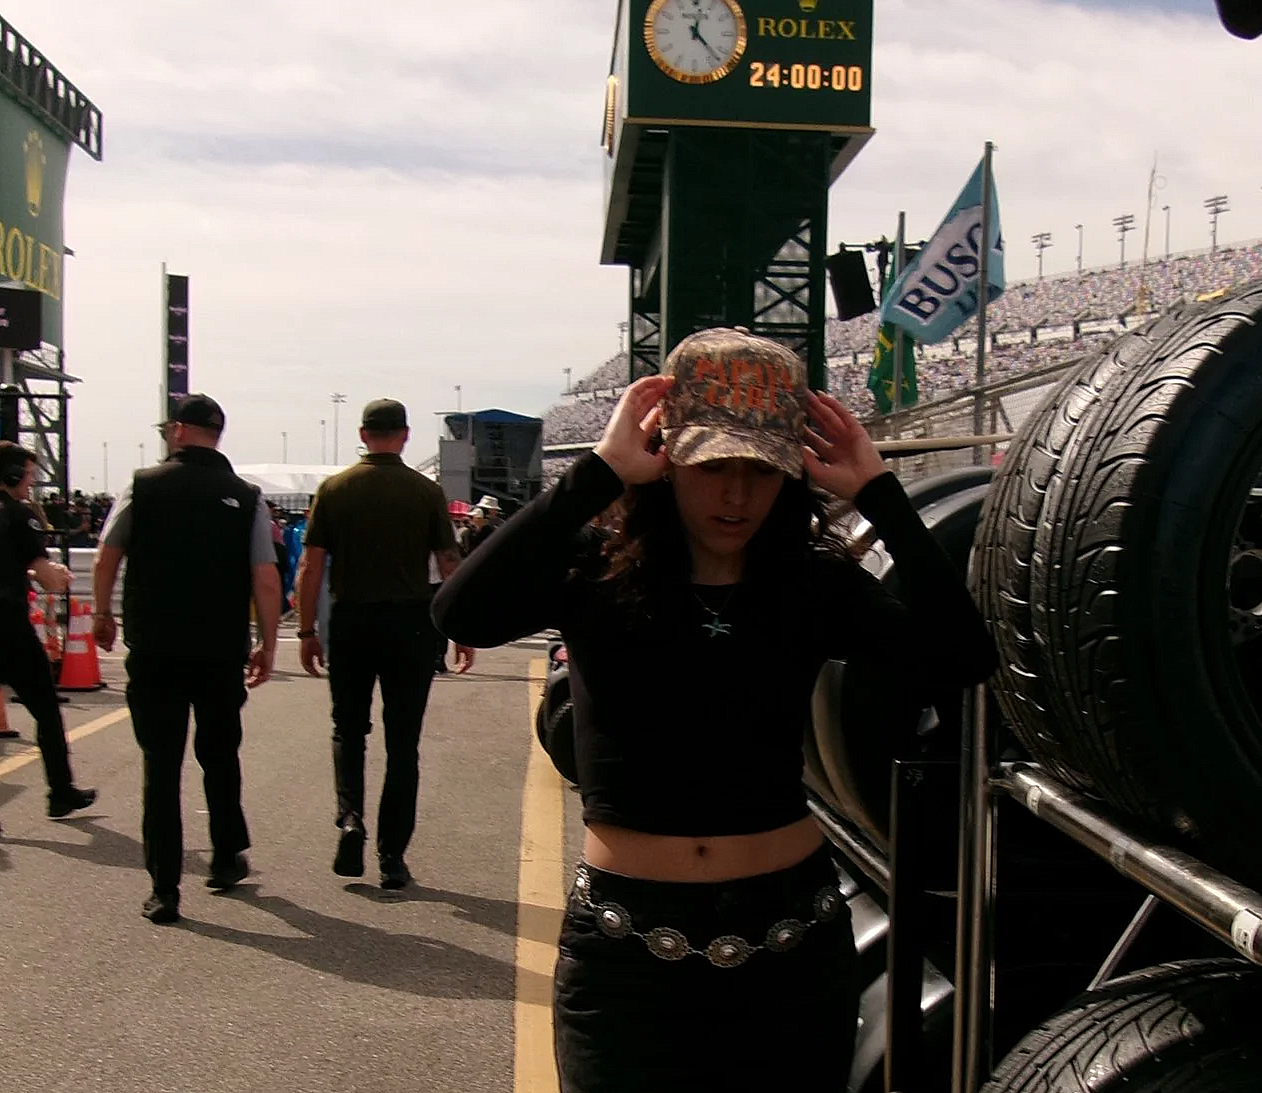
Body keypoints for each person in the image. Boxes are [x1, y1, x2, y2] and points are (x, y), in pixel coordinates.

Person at [432, 329, 997, 1093]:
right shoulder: (595, 573)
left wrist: (879, 496)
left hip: (793, 952)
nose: (736, 496)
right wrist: (594, 475)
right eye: (714, 467)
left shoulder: (814, 585)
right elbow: (460, 614)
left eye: (759, 472)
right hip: (626, 959)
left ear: (791, 475)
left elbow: (964, 659)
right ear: (668, 461)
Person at [92, 395, 283, 924]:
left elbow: (108, 554)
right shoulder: (245, 497)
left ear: (178, 431)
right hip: (219, 649)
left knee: (161, 765)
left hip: (155, 647)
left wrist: (103, 614)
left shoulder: (142, 485)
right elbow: (265, 577)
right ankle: (225, 858)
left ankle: (165, 888)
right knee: (219, 755)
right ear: (217, 435)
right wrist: (267, 642)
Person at [296, 398, 474, 890]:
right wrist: (461, 629)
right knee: (403, 744)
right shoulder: (425, 492)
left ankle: (350, 817)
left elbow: (310, 566)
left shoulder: (335, 489)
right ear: (405, 435)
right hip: (410, 625)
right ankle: (392, 855)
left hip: (351, 622)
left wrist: (308, 630)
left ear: (362, 433)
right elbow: (449, 563)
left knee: (348, 729)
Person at [0, 441, 97, 821]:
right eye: (27, 475)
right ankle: (60, 790)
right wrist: (57, 576)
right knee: (45, 710)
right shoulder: (18, 515)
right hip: (8, 627)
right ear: (11, 476)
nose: (31, 483)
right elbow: (49, 578)